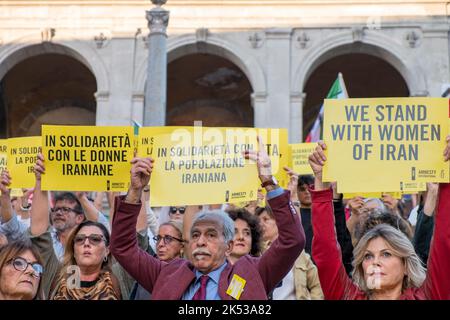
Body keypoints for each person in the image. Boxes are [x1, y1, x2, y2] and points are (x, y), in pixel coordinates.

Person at [111, 137, 305, 300]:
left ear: (229, 246)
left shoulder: (252, 272)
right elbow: (123, 248)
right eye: (195, 235)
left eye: (211, 235)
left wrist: (269, 182)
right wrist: (135, 191)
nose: (200, 241)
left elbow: (293, 241)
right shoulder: (168, 273)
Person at [308, 139, 450, 299]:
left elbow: (444, 242)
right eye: (368, 256)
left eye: (386, 254)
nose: (375, 262)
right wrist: (321, 180)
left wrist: (446, 168)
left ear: (406, 267)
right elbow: (326, 250)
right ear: (361, 268)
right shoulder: (348, 296)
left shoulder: (428, 296)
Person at [256, 206, 323, 300]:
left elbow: (317, 283)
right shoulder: (255, 254)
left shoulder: (298, 253)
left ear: (279, 222)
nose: (260, 224)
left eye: (266, 219)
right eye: (258, 221)